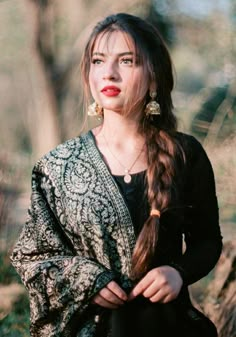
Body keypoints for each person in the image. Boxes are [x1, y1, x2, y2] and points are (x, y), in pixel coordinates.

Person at [10, 12, 223, 337]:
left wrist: (178, 272)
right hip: (92, 328)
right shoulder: (58, 165)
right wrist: (86, 279)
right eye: (98, 60)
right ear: (88, 73)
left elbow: (207, 241)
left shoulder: (185, 154)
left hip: (167, 327)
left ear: (153, 76)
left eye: (126, 61)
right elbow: (33, 256)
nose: (108, 73)